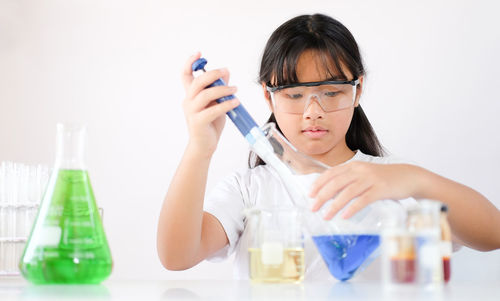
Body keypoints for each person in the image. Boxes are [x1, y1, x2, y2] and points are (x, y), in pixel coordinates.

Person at [157, 14, 500, 279]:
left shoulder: (391, 182)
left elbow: (492, 234)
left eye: (332, 92)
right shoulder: (249, 189)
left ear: (358, 90)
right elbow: (176, 257)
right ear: (268, 96)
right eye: (294, 95)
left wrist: (415, 180)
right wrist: (199, 148)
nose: (313, 112)